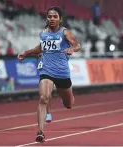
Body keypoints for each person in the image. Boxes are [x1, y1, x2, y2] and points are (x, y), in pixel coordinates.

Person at [17, 6, 80, 142]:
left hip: (62, 73)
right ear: (47, 18)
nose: (52, 19)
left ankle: (66, 98)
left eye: (55, 16)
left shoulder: (64, 32)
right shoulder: (43, 33)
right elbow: (40, 48)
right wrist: (26, 53)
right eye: (49, 16)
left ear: (60, 19)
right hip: (46, 70)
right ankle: (40, 132)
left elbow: (76, 44)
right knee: (43, 98)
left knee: (69, 104)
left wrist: (71, 49)